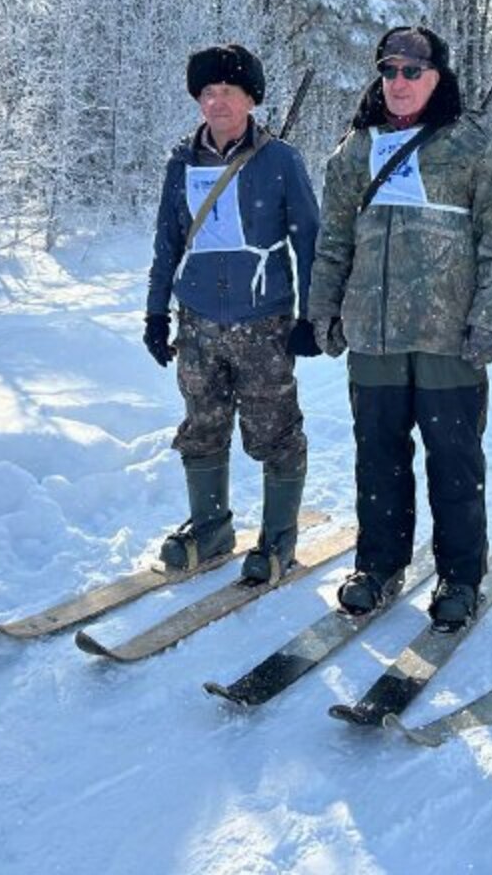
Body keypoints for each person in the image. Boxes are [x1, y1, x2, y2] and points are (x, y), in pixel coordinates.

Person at [308, 26, 492, 631]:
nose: (399, 83)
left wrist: (490, 320)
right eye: (390, 71)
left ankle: (459, 576)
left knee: (453, 460)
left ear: (438, 76)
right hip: (373, 338)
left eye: (413, 71)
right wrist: (323, 308)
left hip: (447, 338)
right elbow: (334, 241)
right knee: (377, 457)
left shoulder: (470, 145)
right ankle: (377, 566)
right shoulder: (356, 149)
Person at [145, 44, 322, 585]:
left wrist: (310, 316)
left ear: (251, 99)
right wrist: (156, 314)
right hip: (196, 319)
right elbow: (167, 242)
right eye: (208, 93)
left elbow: (310, 240)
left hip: (263, 321)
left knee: (274, 430)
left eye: (229, 92)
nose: (217, 102)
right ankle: (211, 527)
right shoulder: (182, 162)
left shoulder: (280, 161)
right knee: (202, 426)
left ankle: (278, 538)